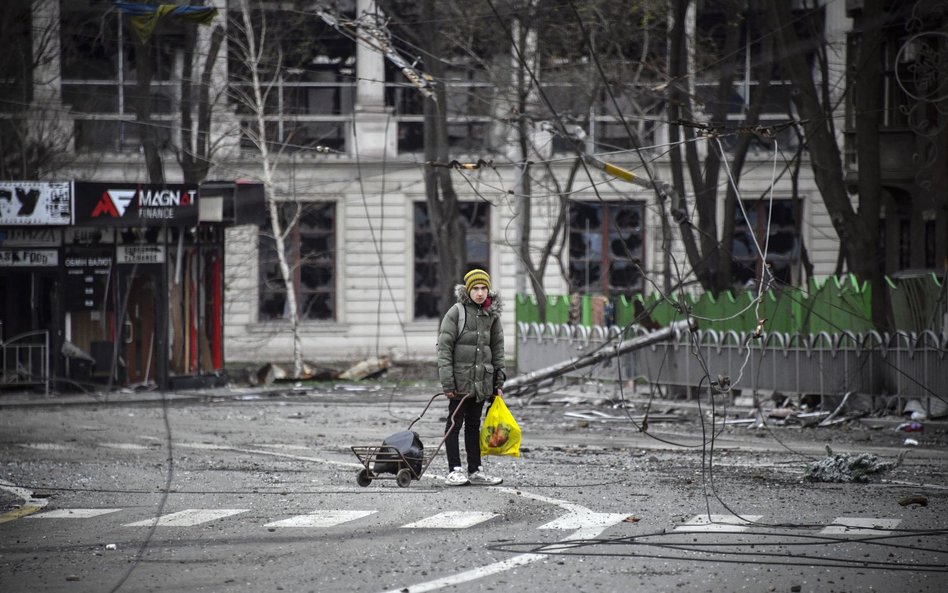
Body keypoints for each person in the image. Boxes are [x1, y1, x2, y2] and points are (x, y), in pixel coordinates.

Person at [437, 268, 506, 486]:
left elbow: (497, 349)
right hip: (460, 381)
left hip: (482, 383)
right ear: (468, 290)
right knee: (454, 424)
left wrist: (498, 382)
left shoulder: (491, 317)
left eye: (483, 288)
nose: (479, 293)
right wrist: (448, 382)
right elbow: (444, 349)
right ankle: (454, 469)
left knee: (474, 425)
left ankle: (475, 470)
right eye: (475, 288)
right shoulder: (456, 313)